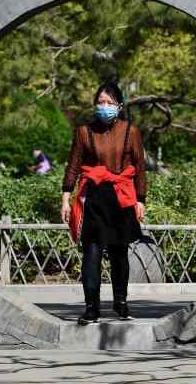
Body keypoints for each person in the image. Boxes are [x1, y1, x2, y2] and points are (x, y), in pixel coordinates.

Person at [61, 81, 146, 324]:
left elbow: (140, 167)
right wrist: (66, 198)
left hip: (121, 195)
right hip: (94, 196)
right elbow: (73, 166)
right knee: (92, 252)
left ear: (119, 106)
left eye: (109, 102)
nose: (104, 106)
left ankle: (121, 303)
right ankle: (91, 308)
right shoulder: (84, 132)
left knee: (119, 253)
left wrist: (140, 199)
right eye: (100, 102)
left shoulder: (130, 131)